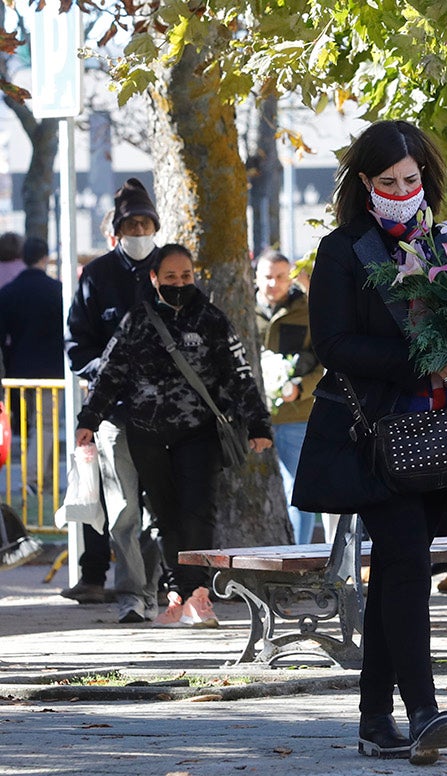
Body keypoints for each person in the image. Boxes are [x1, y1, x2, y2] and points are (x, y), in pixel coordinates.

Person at [292, 120, 447, 766]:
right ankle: (423, 709)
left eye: (413, 179)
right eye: (390, 181)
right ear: (365, 183)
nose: (403, 190)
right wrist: (417, 361)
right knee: (405, 557)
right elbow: (333, 346)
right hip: (371, 438)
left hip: (434, 435)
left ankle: (375, 721)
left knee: (402, 567)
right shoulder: (344, 251)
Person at [74, 243, 272, 628]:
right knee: (164, 517)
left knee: (198, 512)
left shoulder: (212, 320)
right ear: (154, 278)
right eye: (170, 277)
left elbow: (239, 374)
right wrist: (89, 419)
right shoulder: (136, 321)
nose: (179, 283)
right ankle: (178, 594)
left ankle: (199, 595)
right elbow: (110, 374)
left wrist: (259, 424)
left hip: (199, 434)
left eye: (186, 276)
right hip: (147, 434)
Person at [64, 180, 165, 613]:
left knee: (159, 509)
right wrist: (105, 375)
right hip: (111, 412)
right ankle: (128, 593)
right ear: (117, 232)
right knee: (120, 506)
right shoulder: (98, 276)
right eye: (131, 225)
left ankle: (157, 585)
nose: (139, 231)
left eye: (145, 224)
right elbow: (77, 344)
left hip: (166, 413)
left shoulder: (170, 267)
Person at [255, 250, 327, 545]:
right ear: (256, 277)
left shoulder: (308, 310)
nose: (274, 283)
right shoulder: (242, 310)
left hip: (295, 415)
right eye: (267, 277)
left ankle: (297, 556)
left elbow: (324, 362)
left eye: (281, 277)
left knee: (297, 488)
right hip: (251, 417)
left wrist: (301, 387)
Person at [0, 238, 65, 496]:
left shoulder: (8, 292)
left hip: (18, 371)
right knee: (47, 425)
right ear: (44, 257)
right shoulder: (58, 290)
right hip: (51, 370)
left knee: (31, 427)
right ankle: (33, 478)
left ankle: (44, 481)